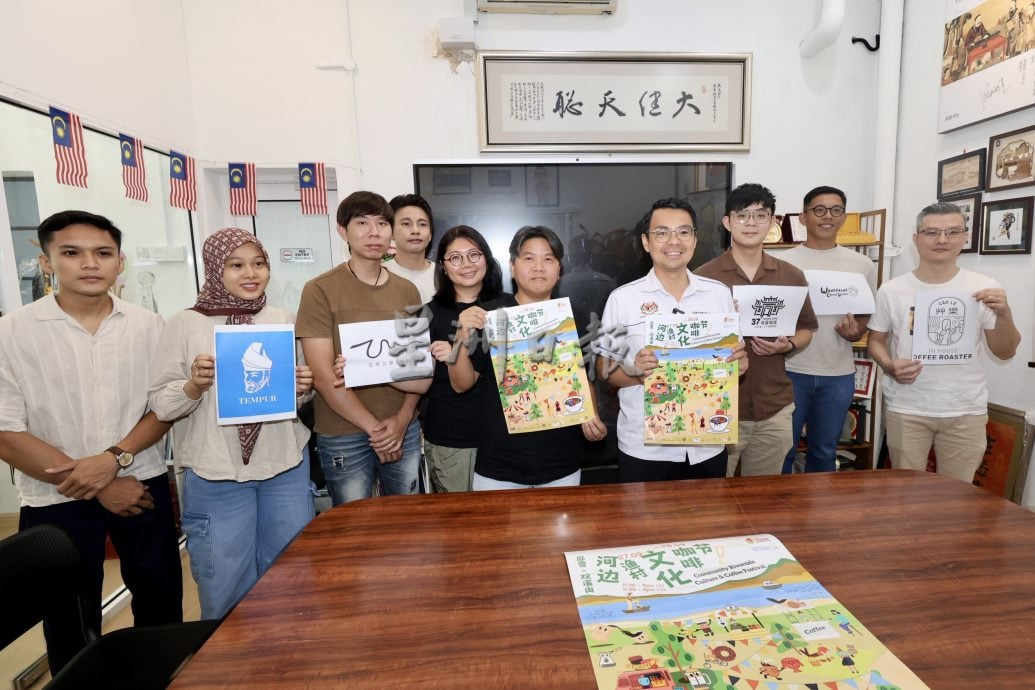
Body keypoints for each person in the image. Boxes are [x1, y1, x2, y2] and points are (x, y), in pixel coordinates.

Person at [0, 210, 182, 671]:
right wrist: (101, 483)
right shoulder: (11, 332)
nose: (89, 263)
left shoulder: (149, 325)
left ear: (120, 262)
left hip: (140, 485)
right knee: (69, 620)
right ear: (47, 262)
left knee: (161, 603)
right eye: (71, 253)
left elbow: (164, 407)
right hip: (54, 495)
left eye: (102, 253)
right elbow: (6, 431)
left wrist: (115, 460)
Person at [148, 228, 316, 619]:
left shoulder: (282, 320)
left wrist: (302, 388)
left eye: (258, 264)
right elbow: (160, 403)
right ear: (214, 268)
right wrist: (193, 385)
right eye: (236, 265)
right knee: (224, 583)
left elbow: (294, 398)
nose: (250, 274)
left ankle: (283, 653)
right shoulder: (185, 324)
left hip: (284, 467)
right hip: (217, 472)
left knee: (289, 576)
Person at [596, 198, 748, 483]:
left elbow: (735, 360)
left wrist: (739, 364)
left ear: (695, 240)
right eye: (662, 233)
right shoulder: (623, 299)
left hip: (707, 444)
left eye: (683, 232)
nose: (673, 241)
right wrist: (635, 372)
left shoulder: (719, 295)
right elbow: (604, 367)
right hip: (645, 449)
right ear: (646, 242)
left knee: (709, 513)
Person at [867, 202, 1020, 482]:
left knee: (958, 496)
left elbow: (1005, 351)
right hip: (907, 407)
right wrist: (889, 366)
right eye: (931, 232)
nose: (942, 239)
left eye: (952, 232)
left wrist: (1004, 314)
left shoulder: (985, 288)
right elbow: (875, 340)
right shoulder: (891, 290)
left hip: (965, 409)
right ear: (916, 239)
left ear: (965, 237)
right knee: (906, 493)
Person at [447, 226, 607, 490]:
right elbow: (460, 384)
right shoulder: (489, 317)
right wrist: (460, 336)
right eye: (529, 258)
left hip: (562, 463)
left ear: (559, 268)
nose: (539, 267)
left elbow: (583, 379)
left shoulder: (576, 318)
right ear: (513, 267)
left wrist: (592, 418)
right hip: (499, 466)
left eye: (548, 259)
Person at [296, 191, 430, 504]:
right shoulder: (319, 290)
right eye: (362, 223)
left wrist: (402, 421)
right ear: (342, 231)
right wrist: (377, 431)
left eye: (382, 223)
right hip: (343, 432)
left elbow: (416, 368)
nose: (374, 232)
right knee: (353, 523)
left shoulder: (407, 290)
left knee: (409, 519)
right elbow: (323, 376)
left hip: (403, 428)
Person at [696, 183, 818, 477]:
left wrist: (788, 345)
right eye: (742, 215)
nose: (751, 223)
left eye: (760, 215)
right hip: (717, 407)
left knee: (763, 496)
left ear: (772, 222)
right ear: (727, 222)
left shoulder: (791, 275)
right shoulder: (703, 279)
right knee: (713, 494)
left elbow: (806, 328)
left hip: (773, 406)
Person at [780, 186, 876, 473]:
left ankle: (820, 503)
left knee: (825, 452)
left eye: (836, 210)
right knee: (783, 451)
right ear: (803, 217)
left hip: (838, 373)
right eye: (819, 210)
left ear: (844, 217)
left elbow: (865, 315)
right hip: (790, 370)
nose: (828, 216)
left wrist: (855, 332)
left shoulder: (861, 264)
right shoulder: (782, 263)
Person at [424, 225, 505, 492]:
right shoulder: (427, 314)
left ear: (486, 258)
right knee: (461, 515)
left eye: (474, 254)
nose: (467, 264)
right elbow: (415, 378)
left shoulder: (509, 307)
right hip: (454, 438)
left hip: (506, 436)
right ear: (443, 266)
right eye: (455, 258)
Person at [384, 193, 436, 304]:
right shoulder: (380, 274)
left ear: (430, 234)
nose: (415, 231)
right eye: (406, 224)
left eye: (422, 224)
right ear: (391, 232)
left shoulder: (443, 276)